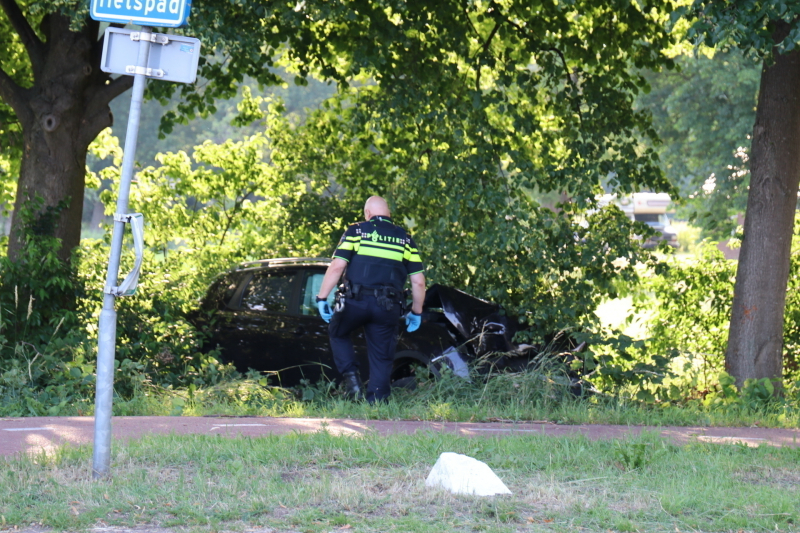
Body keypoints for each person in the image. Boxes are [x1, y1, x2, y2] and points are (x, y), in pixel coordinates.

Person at [315, 196, 426, 403]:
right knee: (382, 355)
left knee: (338, 332)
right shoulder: (405, 238)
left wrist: (322, 297)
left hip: (354, 301)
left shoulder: (356, 231)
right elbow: (418, 281)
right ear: (389, 215)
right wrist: (416, 312)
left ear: (367, 214)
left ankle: (353, 384)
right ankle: (377, 403)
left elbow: (338, 266)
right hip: (388, 306)